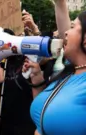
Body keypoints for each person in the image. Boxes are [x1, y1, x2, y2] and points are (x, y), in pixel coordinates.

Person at [22, 0, 86, 135]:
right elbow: (44, 109)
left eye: (73, 27)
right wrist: (37, 79)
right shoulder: (69, 72)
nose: (66, 32)